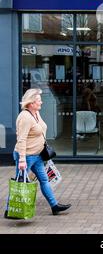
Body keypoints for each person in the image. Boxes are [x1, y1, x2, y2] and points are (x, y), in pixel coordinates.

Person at [5, 88, 71, 218]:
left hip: (38, 155)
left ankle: (54, 206)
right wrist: (22, 160)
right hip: (27, 156)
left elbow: (41, 129)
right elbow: (21, 139)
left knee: (44, 180)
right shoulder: (24, 117)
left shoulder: (35, 113)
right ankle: (10, 210)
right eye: (39, 101)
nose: (41, 103)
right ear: (31, 103)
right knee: (20, 182)